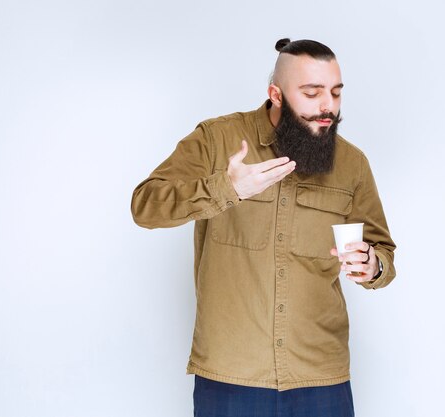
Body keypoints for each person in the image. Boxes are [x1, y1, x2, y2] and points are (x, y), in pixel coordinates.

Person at [131, 38, 396, 417]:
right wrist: (227, 188)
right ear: (276, 94)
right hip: (232, 376)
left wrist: (374, 265)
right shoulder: (215, 140)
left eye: (336, 93)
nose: (328, 107)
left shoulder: (353, 164)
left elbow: (383, 252)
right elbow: (145, 206)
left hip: (322, 379)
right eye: (311, 93)